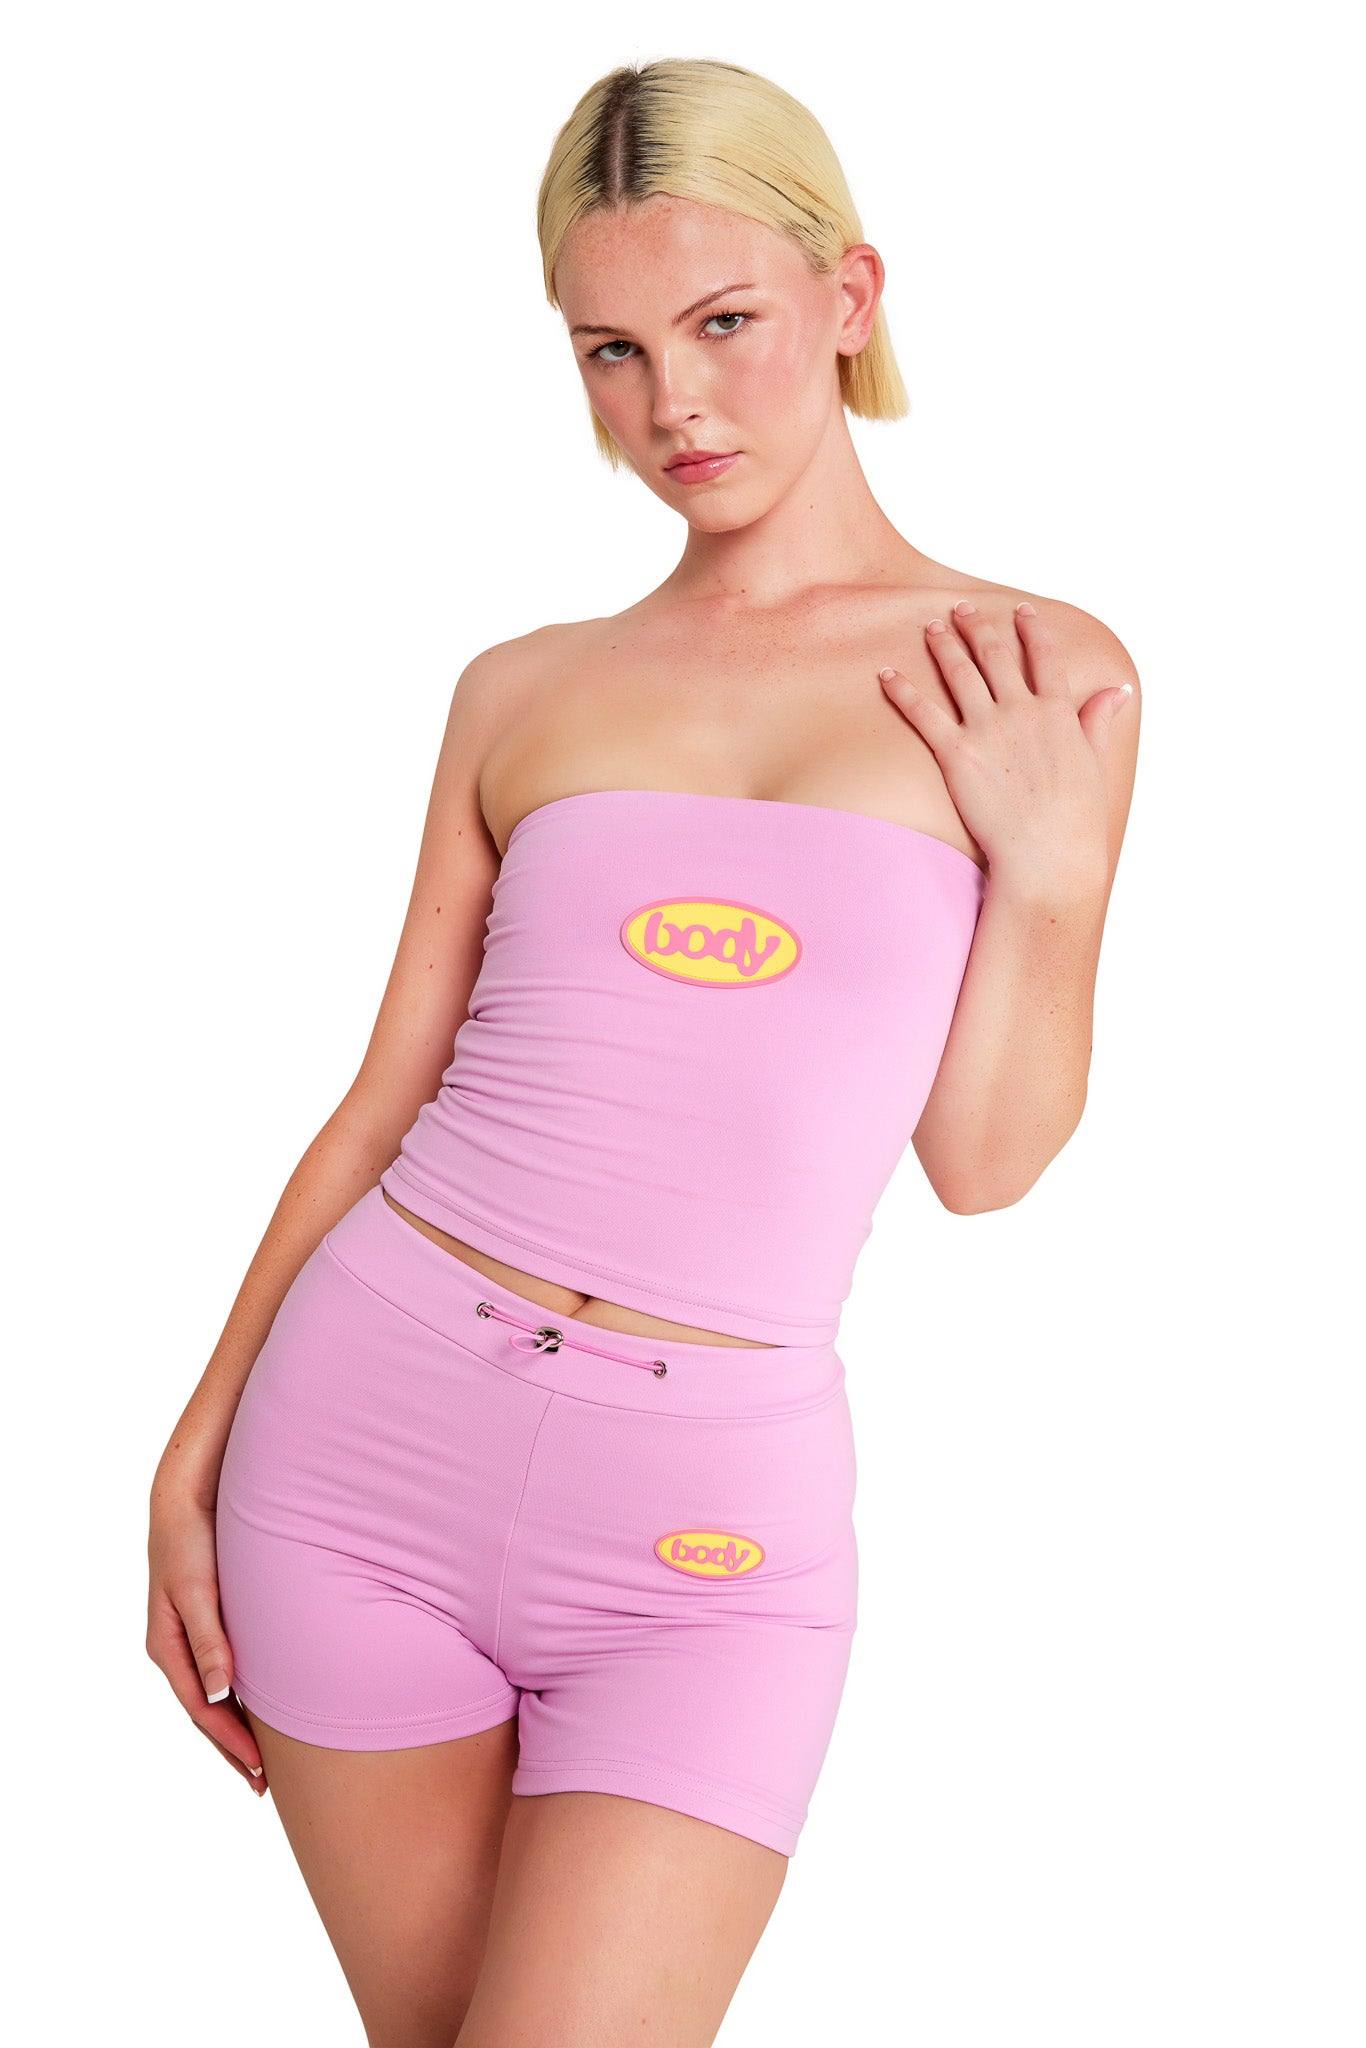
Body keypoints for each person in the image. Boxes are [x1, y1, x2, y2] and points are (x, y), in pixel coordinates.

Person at [146, 55, 1140, 2048]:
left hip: (707, 1538)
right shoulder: (524, 688)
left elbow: (983, 1161)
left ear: (847, 295)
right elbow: (387, 1094)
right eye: (609, 350)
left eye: (722, 324)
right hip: (357, 1455)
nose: (671, 403)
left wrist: (1046, 874)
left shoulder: (1031, 674)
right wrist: (193, 1449)